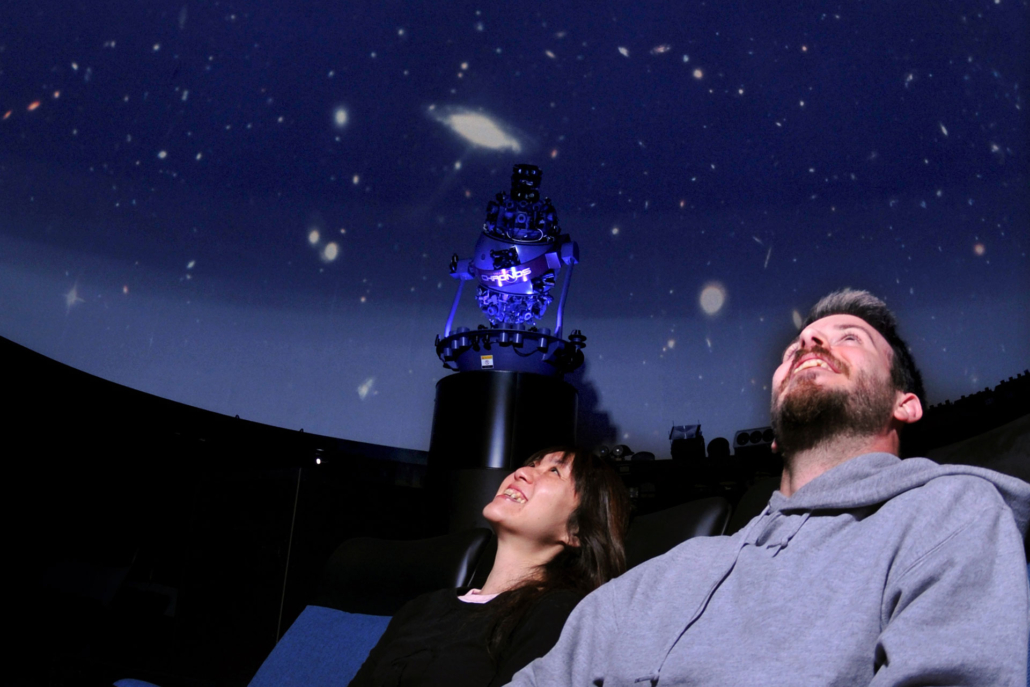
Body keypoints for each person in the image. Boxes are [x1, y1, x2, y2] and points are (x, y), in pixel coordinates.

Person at [507, 289, 1030, 686]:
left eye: (851, 336)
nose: (810, 340)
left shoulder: (952, 514)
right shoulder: (671, 571)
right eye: (796, 346)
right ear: (775, 437)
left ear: (905, 404)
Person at [349, 446, 630, 687]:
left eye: (554, 471)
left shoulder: (559, 614)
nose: (521, 472)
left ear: (576, 531)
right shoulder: (422, 607)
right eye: (531, 464)